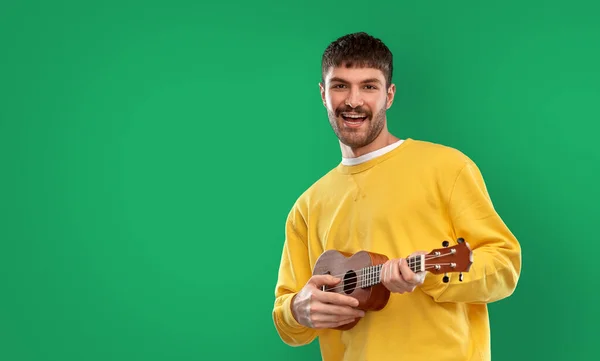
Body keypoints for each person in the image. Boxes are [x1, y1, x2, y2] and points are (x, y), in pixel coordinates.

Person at [271, 32, 522, 361]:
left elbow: (505, 265)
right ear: (323, 94)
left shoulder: (447, 167)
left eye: (369, 86)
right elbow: (287, 315)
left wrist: (431, 277)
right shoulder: (307, 206)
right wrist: (297, 310)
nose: (353, 100)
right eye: (340, 85)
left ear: (389, 95)